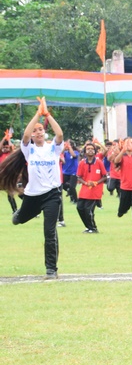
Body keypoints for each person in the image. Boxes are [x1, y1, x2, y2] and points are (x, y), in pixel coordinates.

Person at [11, 97, 64, 277]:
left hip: (52, 195)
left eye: (40, 129)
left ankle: (51, 269)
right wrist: (37, 114)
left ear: (44, 131)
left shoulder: (53, 148)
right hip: (32, 196)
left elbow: (60, 135)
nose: (38, 132)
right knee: (18, 220)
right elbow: (25, 136)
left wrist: (47, 114)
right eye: (35, 131)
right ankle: (19, 214)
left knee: (49, 231)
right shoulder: (29, 149)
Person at [107, 138, 132, 240]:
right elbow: (116, 161)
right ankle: (122, 210)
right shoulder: (122, 156)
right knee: (122, 208)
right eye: (128, 143)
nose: (130, 145)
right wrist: (123, 150)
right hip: (125, 187)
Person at [75, 142, 107, 234]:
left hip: (95, 190)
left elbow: (104, 176)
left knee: (88, 210)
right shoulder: (82, 163)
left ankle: (93, 228)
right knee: (80, 208)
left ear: (95, 151)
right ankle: (88, 227)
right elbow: (79, 176)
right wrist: (85, 183)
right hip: (85, 189)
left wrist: (96, 183)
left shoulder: (99, 162)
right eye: (88, 148)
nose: (90, 150)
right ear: (85, 151)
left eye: (92, 149)